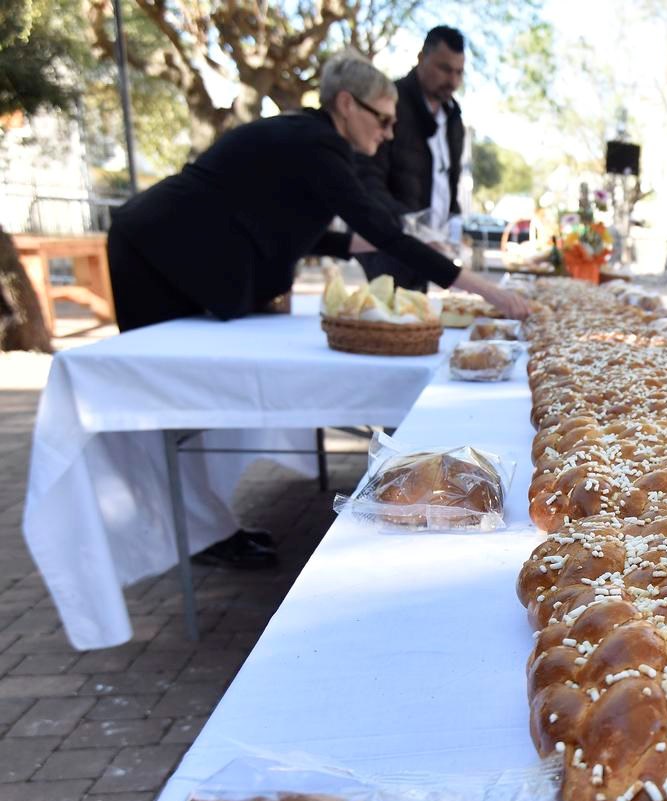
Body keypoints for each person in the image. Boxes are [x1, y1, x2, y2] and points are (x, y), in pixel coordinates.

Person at [106, 51, 529, 568]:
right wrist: (487, 289)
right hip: (154, 253)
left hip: (172, 253)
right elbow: (379, 230)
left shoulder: (308, 143)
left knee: (190, 413)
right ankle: (193, 535)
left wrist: (407, 251)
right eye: (384, 118)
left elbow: (306, 230)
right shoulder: (314, 142)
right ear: (347, 104)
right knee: (169, 405)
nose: (391, 132)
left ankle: (208, 530)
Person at [356, 26, 467, 288]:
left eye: (459, 72)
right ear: (421, 58)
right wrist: (413, 228)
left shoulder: (453, 119)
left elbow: (449, 183)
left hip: (432, 251)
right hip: (390, 247)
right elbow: (368, 180)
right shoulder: (389, 104)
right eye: (444, 68)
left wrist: (452, 230)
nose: (452, 80)